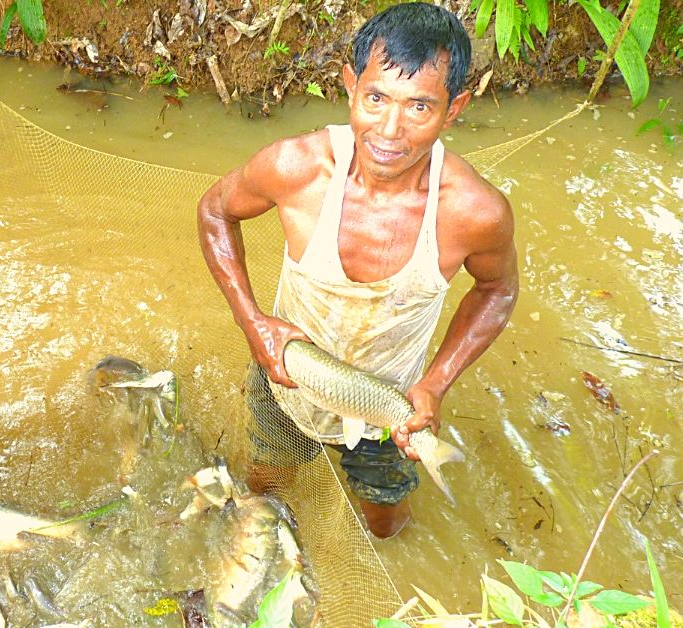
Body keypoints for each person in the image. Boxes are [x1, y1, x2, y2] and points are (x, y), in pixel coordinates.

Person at [197, 2, 518, 539]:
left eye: (420, 107)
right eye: (375, 99)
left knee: (386, 520)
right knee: (265, 486)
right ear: (350, 86)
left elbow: (498, 290)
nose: (390, 131)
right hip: (288, 379)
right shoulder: (295, 168)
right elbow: (214, 211)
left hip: (392, 405)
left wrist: (435, 384)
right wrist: (252, 322)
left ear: (454, 108)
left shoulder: (473, 212)